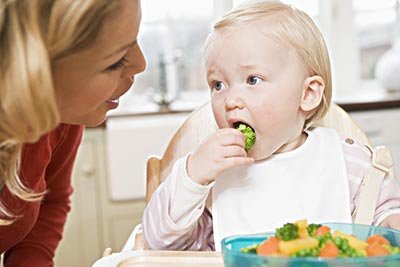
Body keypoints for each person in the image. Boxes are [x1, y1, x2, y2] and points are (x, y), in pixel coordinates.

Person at [142, 0, 400, 251]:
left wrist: (391, 225)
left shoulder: (349, 163)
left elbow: (385, 219)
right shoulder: (212, 178)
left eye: (253, 79)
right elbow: (161, 244)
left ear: (308, 93)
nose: (230, 100)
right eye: (218, 85)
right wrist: (192, 177)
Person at [0, 0, 145, 266]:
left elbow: (49, 202)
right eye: (116, 61)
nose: (141, 64)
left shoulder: (61, 115)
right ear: (35, 71)